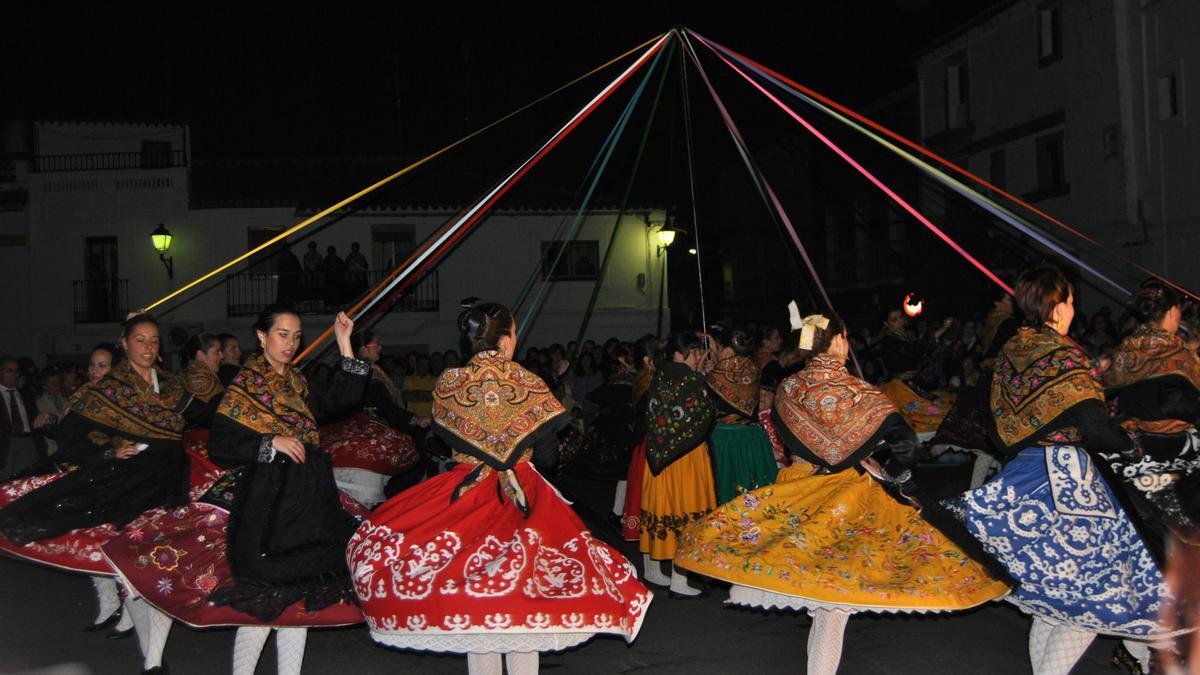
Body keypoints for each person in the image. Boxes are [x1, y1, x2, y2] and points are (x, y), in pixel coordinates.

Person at [674, 310, 1010, 675]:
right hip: (845, 501)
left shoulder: (789, 387)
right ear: (836, 341)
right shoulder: (857, 391)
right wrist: (881, 466)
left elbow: (789, 439)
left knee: (821, 603)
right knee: (833, 608)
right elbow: (903, 443)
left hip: (798, 491)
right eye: (845, 338)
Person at [347, 301, 651, 675]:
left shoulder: (450, 382)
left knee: (478, 607)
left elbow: (441, 437)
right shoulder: (528, 382)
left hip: (465, 493)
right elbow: (549, 455)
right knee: (523, 605)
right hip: (521, 495)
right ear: (507, 340)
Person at [104, 306, 370, 675]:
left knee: (300, 600)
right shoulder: (247, 385)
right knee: (264, 600)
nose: (290, 343)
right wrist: (270, 440)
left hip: (308, 499)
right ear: (261, 336)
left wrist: (344, 345)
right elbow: (223, 446)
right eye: (282, 334)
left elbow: (342, 402)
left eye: (295, 336)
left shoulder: (296, 382)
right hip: (270, 501)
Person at [945, 264, 1183, 675]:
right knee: (1093, 597)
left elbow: (1003, 436)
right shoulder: (1063, 355)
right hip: (1070, 483)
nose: (1074, 308)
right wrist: (1134, 444)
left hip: (1024, 474)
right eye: (1071, 301)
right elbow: (1093, 426)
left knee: (1053, 608)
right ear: (1056, 308)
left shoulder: (1012, 353)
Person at [1102, 280, 1200, 541]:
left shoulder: (1125, 349)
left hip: (1137, 450)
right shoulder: (1177, 351)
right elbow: (1177, 401)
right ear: (1171, 312)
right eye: (1178, 310)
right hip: (1178, 450)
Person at [639, 331, 716, 596]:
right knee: (683, 507)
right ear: (678, 354)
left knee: (661, 508)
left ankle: (651, 568)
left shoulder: (659, 376)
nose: (698, 357)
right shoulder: (690, 381)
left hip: (657, 456)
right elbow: (705, 414)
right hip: (685, 458)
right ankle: (679, 581)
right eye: (694, 352)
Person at [704, 325, 777, 505]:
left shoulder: (715, 375)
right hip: (753, 437)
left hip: (726, 439)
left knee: (727, 490)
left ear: (727, 350)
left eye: (719, 348)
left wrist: (708, 366)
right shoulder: (753, 368)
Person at [0, 356, 50, 477]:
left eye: (16, 371)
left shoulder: (25, 394)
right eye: (9, 371)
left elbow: (34, 418)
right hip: (5, 443)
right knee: (4, 480)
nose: (14, 375)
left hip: (28, 440)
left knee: (27, 479)